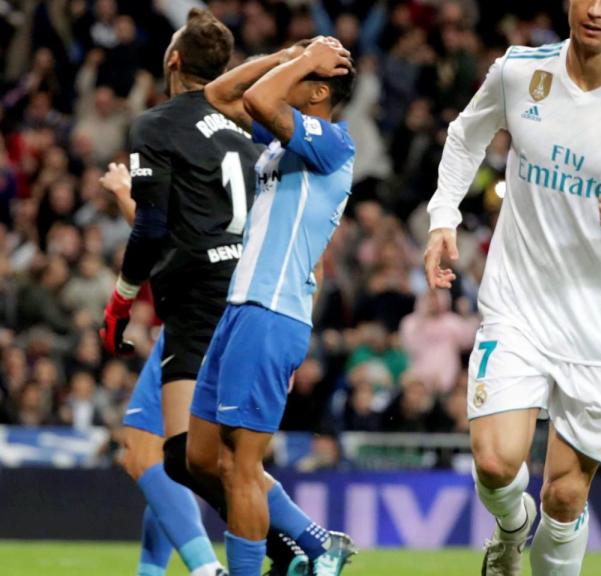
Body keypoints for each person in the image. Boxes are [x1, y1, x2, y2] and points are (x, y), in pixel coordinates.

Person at [423, 1, 601, 574]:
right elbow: (463, 137)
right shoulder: (518, 71)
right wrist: (442, 216)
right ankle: (510, 524)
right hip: (518, 305)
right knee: (495, 461)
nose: (595, 9)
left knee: (564, 496)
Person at [188, 36, 357, 576]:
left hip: (271, 312)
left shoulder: (332, 145)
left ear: (320, 91)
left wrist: (305, 60)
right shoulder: (287, 146)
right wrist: (289, 57)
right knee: (201, 458)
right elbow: (218, 94)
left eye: (306, 77)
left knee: (241, 467)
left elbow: (260, 101)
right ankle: (316, 542)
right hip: (242, 307)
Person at [99, 162, 225, 576]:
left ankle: (207, 568)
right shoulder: (246, 162)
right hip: (235, 323)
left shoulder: (196, 146)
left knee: (142, 451)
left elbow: (164, 238)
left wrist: (121, 192)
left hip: (196, 321)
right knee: (172, 459)